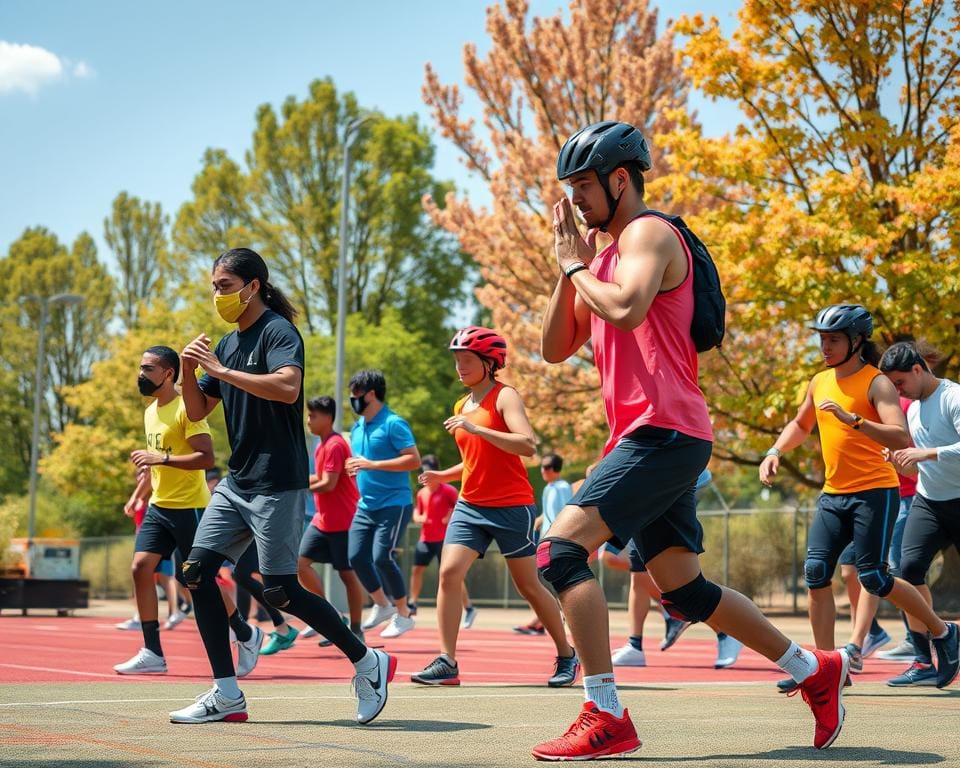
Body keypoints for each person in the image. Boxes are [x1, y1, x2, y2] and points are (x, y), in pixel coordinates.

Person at [536, 120, 849, 759]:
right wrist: (567, 268)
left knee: (559, 555)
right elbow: (552, 349)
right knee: (683, 587)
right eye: (571, 190)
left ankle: (606, 712)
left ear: (622, 180)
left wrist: (577, 265)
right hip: (650, 436)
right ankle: (812, 669)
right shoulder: (594, 260)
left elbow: (625, 308)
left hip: (665, 430)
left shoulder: (651, 233)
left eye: (586, 187)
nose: (577, 201)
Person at [175, 247, 394, 725]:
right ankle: (227, 693)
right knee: (195, 571)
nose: (218, 295)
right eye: (214, 287)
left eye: (225, 286)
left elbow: (287, 387)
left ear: (253, 287)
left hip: (278, 482)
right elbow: (196, 412)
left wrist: (219, 371)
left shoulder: (277, 330)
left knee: (279, 590)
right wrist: (192, 371)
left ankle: (366, 660)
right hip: (237, 483)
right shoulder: (228, 345)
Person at [760, 305, 957, 694]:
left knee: (875, 577)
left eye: (833, 339)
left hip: (874, 493)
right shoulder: (819, 382)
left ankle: (943, 631)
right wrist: (775, 452)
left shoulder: (877, 383)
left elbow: (900, 437)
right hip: (833, 493)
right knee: (816, 572)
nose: (825, 346)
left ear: (855, 341)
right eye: (822, 339)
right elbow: (801, 424)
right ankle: (825, 667)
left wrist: (855, 421)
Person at [410, 326, 578, 688]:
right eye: (456, 360)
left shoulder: (505, 397)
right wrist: (444, 476)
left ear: (489, 363)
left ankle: (567, 654)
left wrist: (477, 427)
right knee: (448, 574)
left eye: (466, 360)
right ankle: (447, 661)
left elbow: (527, 445)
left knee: (529, 586)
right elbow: (476, 460)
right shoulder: (461, 404)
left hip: (510, 506)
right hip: (470, 505)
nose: (459, 367)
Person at [113, 346, 261, 679]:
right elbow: (156, 464)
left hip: (190, 508)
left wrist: (161, 460)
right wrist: (141, 494)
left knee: (198, 579)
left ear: (168, 373)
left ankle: (245, 632)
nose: (141, 374)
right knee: (140, 568)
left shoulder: (186, 409)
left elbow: (206, 458)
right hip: (158, 507)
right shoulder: (151, 410)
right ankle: (152, 651)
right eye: (140, 367)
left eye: (148, 368)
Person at [879, 341, 960, 688]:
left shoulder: (953, 397)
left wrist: (922, 454)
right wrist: (902, 461)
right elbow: (917, 470)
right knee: (907, 572)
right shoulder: (911, 409)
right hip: (930, 502)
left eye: (899, 383)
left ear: (917, 369)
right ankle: (925, 660)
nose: (896, 391)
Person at [609, 470, 742, 669]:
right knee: (639, 575)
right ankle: (636, 644)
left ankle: (725, 631)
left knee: (682, 588)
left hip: (672, 484)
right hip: (648, 494)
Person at [346, 369, 420, 639]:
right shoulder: (358, 427)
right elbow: (362, 462)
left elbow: (413, 460)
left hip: (394, 503)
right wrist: (354, 468)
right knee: (355, 556)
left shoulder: (393, 423)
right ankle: (382, 604)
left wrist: (372, 464)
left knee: (381, 556)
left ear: (372, 394)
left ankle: (403, 614)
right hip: (366, 505)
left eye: (356, 395)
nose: (353, 400)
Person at [298, 395, 366, 641]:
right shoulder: (321, 444)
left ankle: (357, 629)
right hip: (322, 520)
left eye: (313, 415)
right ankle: (331, 615)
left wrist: (298, 486)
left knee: (347, 576)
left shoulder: (336, 444)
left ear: (327, 418)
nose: (308, 420)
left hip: (343, 521)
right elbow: (319, 479)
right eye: (308, 415)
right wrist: (299, 482)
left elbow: (328, 484)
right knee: (300, 564)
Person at [408, 454, 477, 628]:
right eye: (423, 472)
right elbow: (417, 513)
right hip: (426, 538)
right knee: (416, 570)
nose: (425, 476)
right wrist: (419, 517)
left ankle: (468, 608)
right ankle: (412, 604)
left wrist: (450, 516)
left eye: (428, 472)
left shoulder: (449, 491)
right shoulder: (421, 493)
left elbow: (461, 508)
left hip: (446, 540)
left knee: (452, 575)